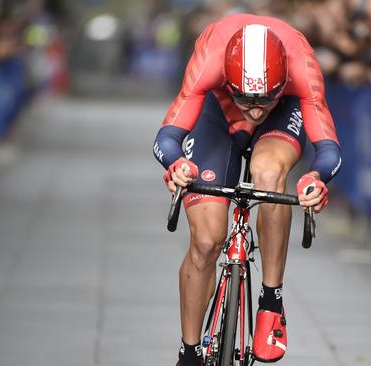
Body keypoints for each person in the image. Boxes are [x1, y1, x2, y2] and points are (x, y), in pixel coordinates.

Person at [152, 13, 341, 366]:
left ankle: (271, 298)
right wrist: (177, 164)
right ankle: (189, 351)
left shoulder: (301, 62)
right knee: (207, 241)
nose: (254, 110)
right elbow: (167, 136)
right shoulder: (210, 56)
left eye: (263, 99)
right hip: (216, 115)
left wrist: (315, 179)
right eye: (246, 99)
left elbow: (328, 148)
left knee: (268, 173)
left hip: (283, 115)